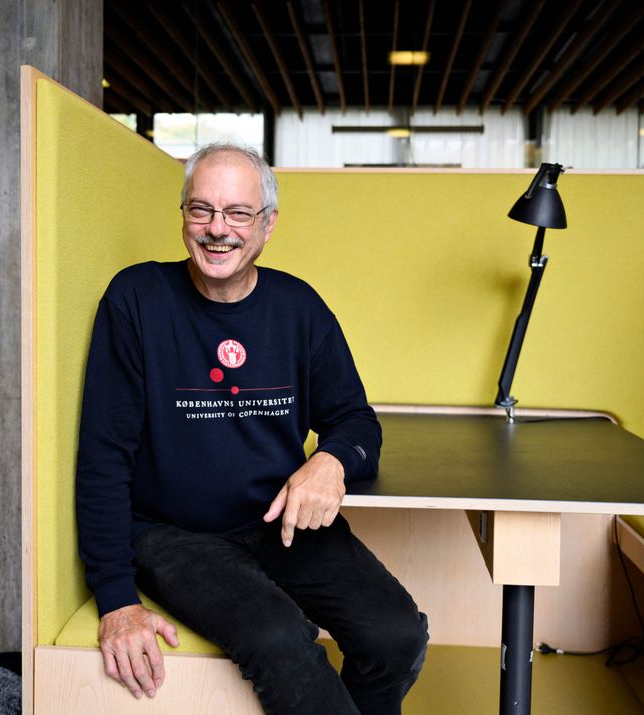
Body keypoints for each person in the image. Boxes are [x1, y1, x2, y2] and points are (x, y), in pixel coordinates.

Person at [75, 142, 428, 714]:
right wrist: (115, 599)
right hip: (172, 534)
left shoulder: (299, 307)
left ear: (267, 225)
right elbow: (103, 455)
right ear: (184, 215)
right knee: (280, 639)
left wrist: (330, 460)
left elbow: (356, 421)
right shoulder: (135, 299)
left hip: (276, 519)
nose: (219, 229)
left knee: (397, 636)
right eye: (201, 210)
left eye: (238, 213)